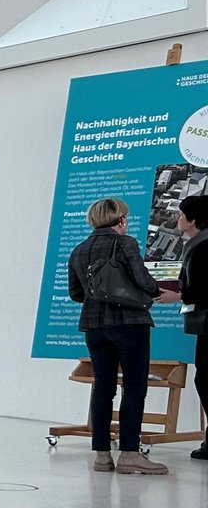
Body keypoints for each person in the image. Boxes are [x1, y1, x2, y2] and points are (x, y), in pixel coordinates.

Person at [67, 197, 174, 475]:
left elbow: (76, 293)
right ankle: (129, 453)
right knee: (134, 388)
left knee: (103, 388)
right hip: (129, 323)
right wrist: (155, 291)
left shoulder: (79, 249)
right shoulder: (124, 243)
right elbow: (144, 280)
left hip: (93, 327)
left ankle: (102, 455)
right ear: (121, 220)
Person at [179, 194, 208, 463]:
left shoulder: (202, 248)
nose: (177, 219)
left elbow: (196, 289)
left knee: (206, 379)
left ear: (193, 220)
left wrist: (178, 294)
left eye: (181, 215)